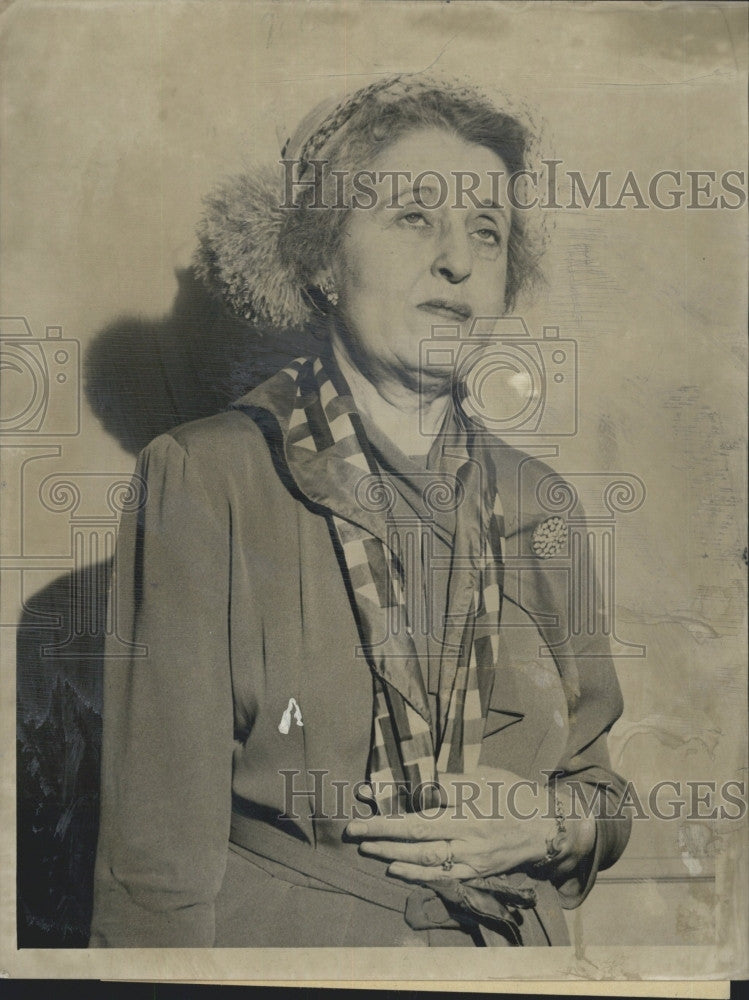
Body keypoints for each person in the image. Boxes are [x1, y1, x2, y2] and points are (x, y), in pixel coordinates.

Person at [90, 73, 630, 948]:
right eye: (413, 217)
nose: (456, 259)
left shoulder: (541, 503)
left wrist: (546, 827)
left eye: (485, 232)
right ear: (318, 259)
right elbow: (151, 872)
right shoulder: (205, 478)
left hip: (512, 959)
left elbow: (598, 794)